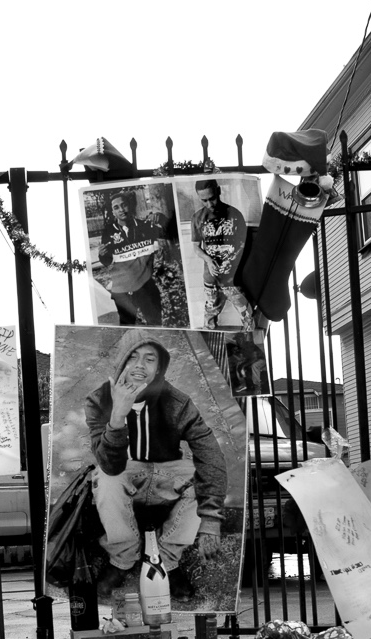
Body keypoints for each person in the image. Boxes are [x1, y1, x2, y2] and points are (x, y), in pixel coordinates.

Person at [86, 336, 227, 600]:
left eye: (149, 359)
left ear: (159, 368)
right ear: (121, 362)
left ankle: (166, 561)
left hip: (166, 474)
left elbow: (209, 452)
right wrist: (117, 416)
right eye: (132, 357)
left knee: (199, 474)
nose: (140, 365)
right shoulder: (99, 400)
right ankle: (123, 560)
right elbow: (109, 463)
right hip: (125, 473)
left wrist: (211, 518)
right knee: (105, 476)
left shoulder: (176, 401)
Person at [95, 190, 170, 326]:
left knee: (155, 325)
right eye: (116, 207)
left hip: (145, 285)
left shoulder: (145, 226)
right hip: (122, 289)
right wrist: (102, 254)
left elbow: (170, 233)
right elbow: (107, 261)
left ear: (129, 206)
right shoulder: (109, 231)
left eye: (124, 205)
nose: (121, 210)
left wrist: (162, 218)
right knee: (127, 328)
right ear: (113, 212)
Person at [190, 179, 252, 330]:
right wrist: (208, 260)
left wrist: (231, 261)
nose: (209, 204)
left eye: (212, 198)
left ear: (218, 191)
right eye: (204, 200)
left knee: (246, 314)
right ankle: (210, 346)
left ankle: (250, 342)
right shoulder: (197, 218)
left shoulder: (235, 214)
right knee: (210, 315)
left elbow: (243, 244)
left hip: (232, 279)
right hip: (211, 278)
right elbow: (195, 247)